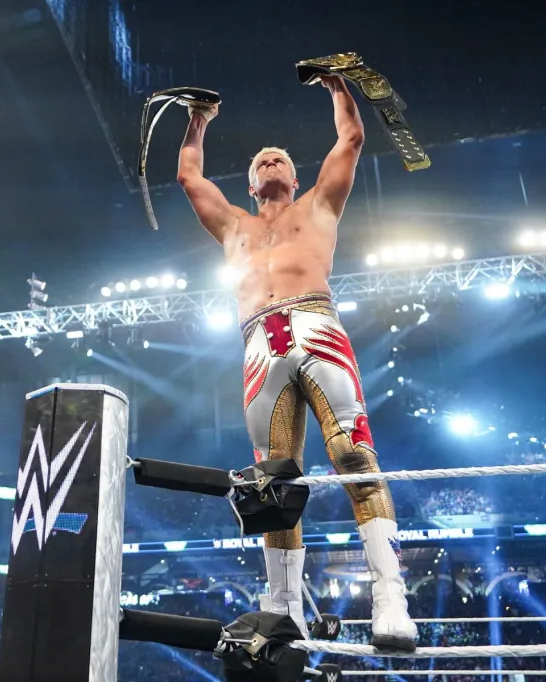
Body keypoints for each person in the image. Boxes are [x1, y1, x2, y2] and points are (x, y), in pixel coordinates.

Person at [176, 75, 417, 650]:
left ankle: (391, 599)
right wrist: (198, 120)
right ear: (250, 182)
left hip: (317, 326)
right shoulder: (234, 225)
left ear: (295, 176)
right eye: (261, 159)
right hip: (259, 343)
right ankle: (284, 610)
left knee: (353, 454)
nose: (270, 159)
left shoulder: (318, 206)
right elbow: (189, 176)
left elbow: (351, 138)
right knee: (272, 486)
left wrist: (337, 84)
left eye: (280, 157)